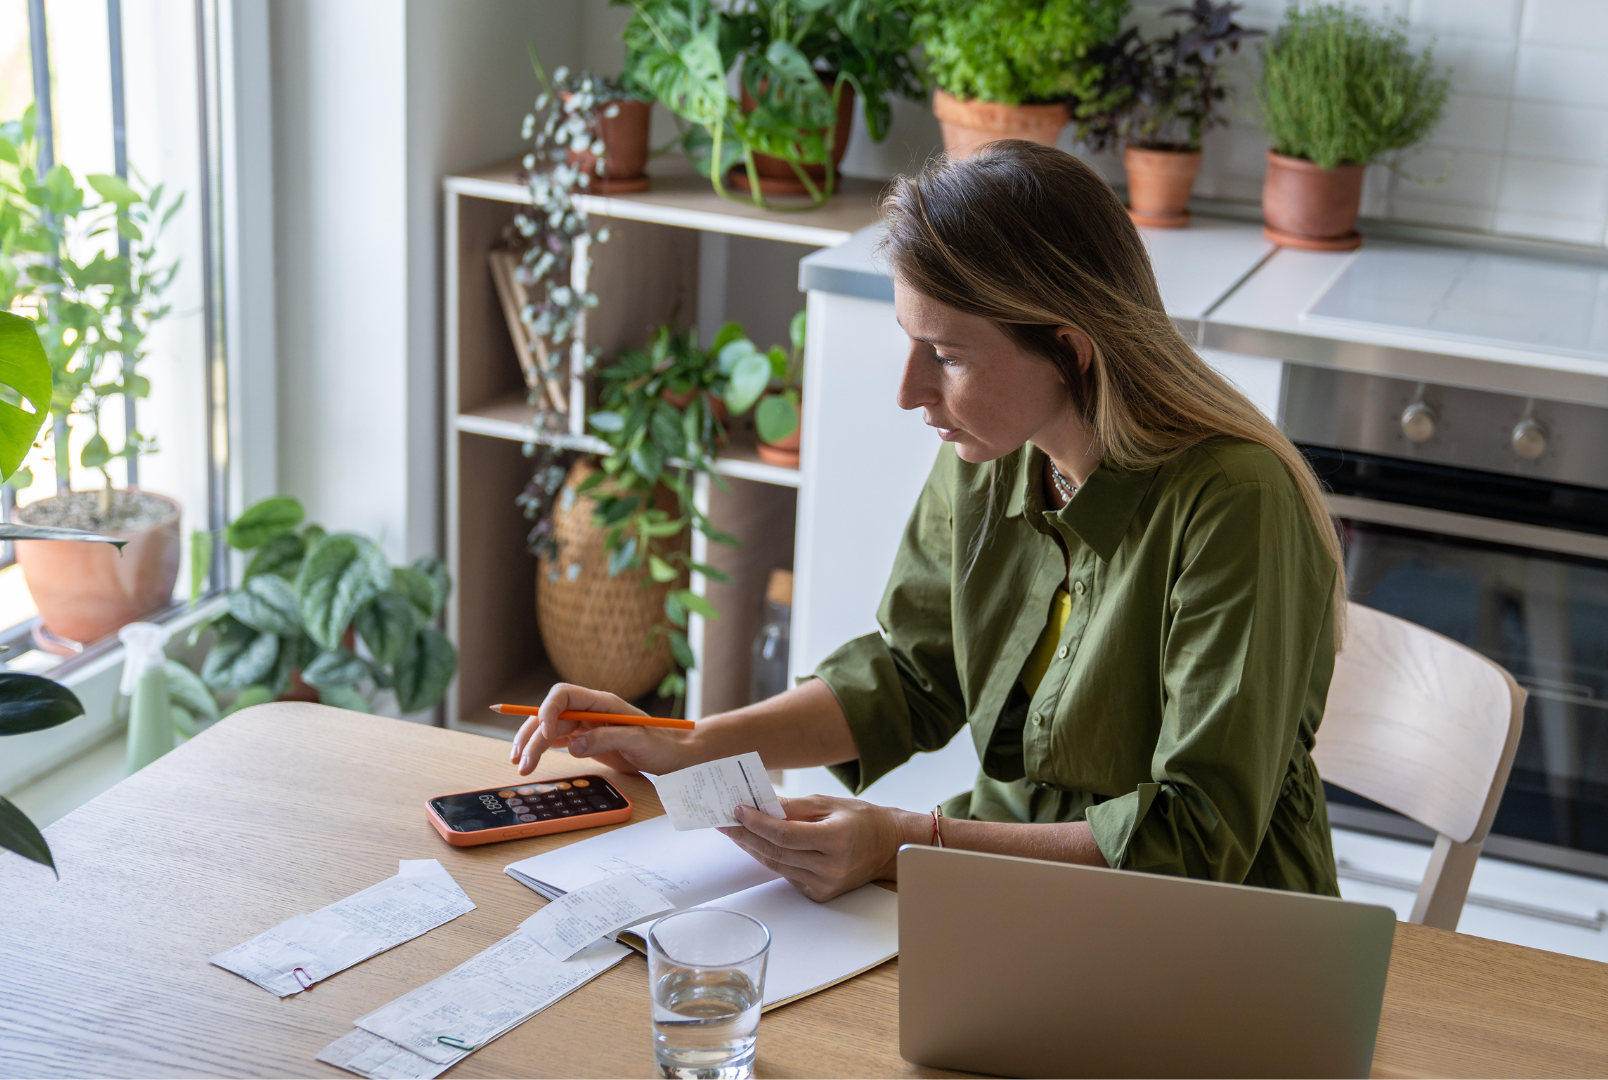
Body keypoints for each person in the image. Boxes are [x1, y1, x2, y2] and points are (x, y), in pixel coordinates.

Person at [510, 141, 1347, 903]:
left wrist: (907, 843)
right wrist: (690, 743)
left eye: (946, 355)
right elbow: (911, 677)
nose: (909, 390)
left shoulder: (1238, 503)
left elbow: (1195, 843)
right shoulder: (995, 450)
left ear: (1068, 349)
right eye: (911, 343)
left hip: (1213, 939)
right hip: (1003, 888)